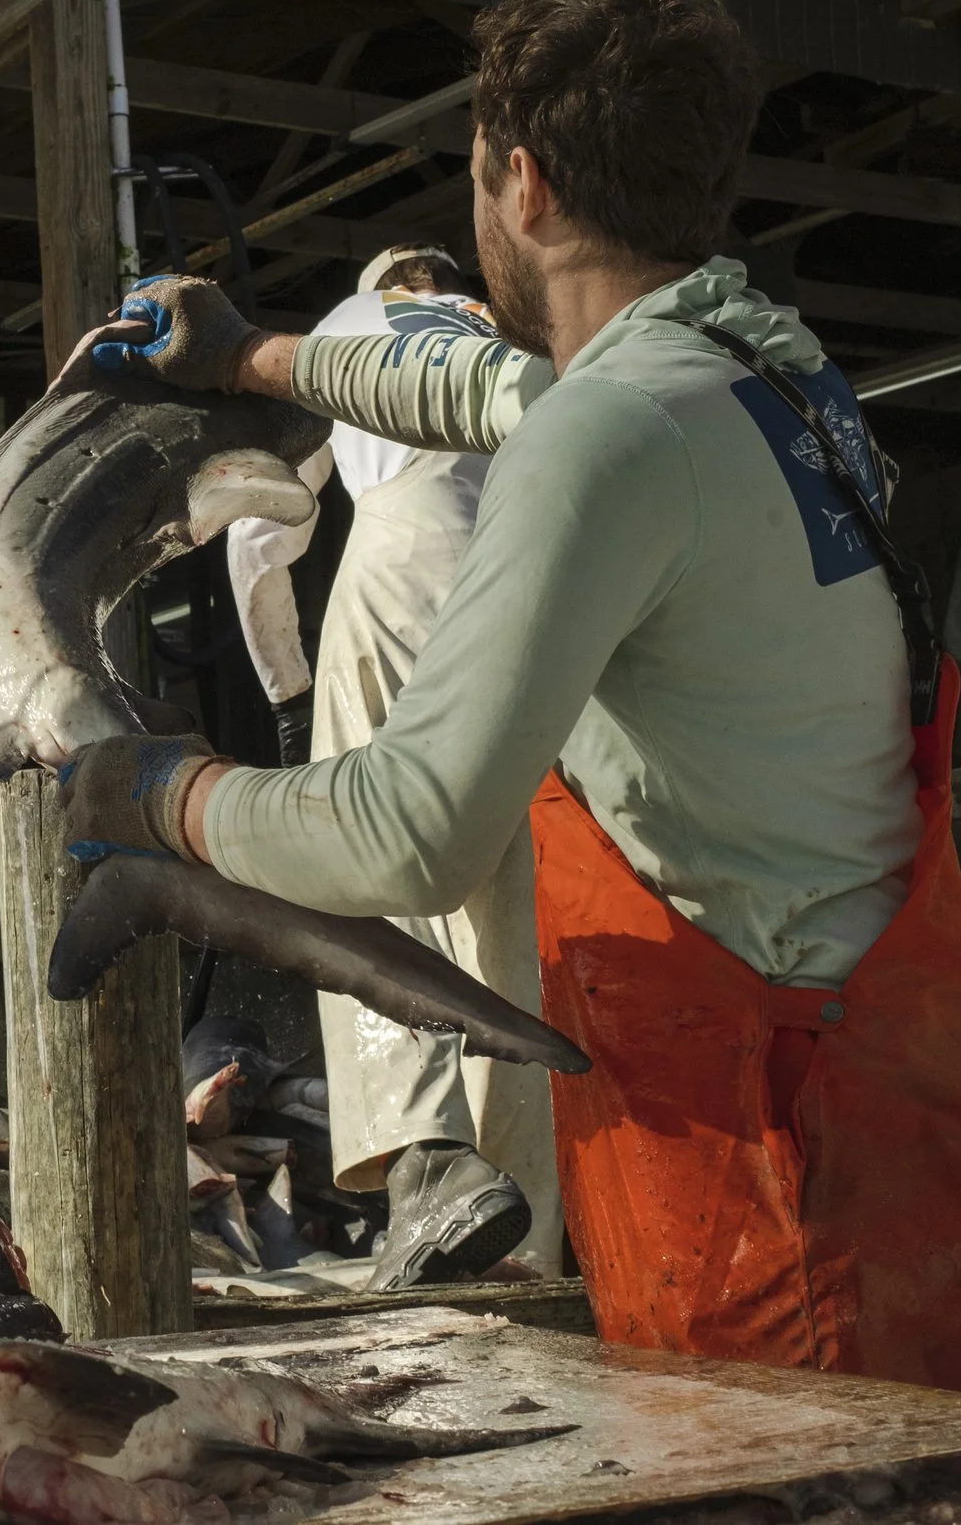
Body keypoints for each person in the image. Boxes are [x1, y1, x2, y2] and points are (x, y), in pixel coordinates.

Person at [63, 0, 961, 1396]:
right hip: (903, 1124)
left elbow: (410, 830)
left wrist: (159, 793)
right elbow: (479, 392)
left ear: (519, 184)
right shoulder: (763, 380)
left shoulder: (614, 434)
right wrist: (249, 355)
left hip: (779, 1194)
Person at [221, 244, 559, 1288]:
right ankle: (527, 1239)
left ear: (382, 282)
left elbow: (258, 526)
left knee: (363, 870)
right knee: (512, 913)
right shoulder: (511, 334)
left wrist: (283, 690)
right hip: (530, 581)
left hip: (402, 558)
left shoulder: (350, 321)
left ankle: (428, 1161)